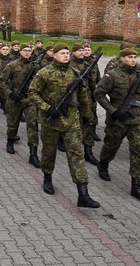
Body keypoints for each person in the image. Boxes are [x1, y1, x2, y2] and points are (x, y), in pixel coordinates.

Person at [28, 43, 100, 208]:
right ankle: (47, 178)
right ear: (54, 55)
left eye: (67, 53)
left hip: (71, 121)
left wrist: (88, 115)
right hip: (50, 122)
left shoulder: (75, 73)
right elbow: (32, 92)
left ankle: (83, 193)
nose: (66, 55)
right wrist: (47, 108)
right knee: (48, 152)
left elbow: (83, 96)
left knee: (76, 154)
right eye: (62, 53)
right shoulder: (44, 73)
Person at [94, 48, 140, 204]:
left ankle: (137, 185)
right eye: (129, 57)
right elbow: (98, 93)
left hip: (137, 120)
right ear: (122, 58)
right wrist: (113, 111)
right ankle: (103, 164)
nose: (133, 60)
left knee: (139, 150)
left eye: (134, 57)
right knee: (111, 146)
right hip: (118, 120)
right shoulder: (112, 75)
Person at [0, 44, 35, 155]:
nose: (27, 53)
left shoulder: (34, 66)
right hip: (14, 99)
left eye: (29, 51)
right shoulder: (12, 65)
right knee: (13, 124)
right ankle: (10, 141)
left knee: (32, 124)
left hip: (29, 100)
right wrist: (10, 93)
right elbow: (1, 81)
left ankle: (33, 153)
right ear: (20, 51)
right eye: (25, 50)